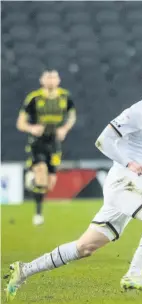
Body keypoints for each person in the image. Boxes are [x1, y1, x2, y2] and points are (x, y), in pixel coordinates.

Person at [5, 62, 142, 301]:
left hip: (129, 184)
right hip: (125, 182)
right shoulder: (137, 112)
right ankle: (134, 274)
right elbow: (103, 140)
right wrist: (129, 162)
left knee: (85, 247)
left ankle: (24, 270)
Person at [16, 70, 76, 226]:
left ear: (59, 79)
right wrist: (31, 128)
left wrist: (65, 129)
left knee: (49, 184)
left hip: (54, 143)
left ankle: (31, 181)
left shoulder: (65, 96)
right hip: (37, 142)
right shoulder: (34, 98)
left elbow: (72, 116)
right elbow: (20, 123)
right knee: (41, 171)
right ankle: (38, 214)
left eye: (53, 76)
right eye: (48, 77)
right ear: (41, 80)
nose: (51, 80)